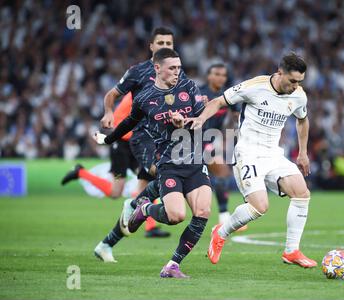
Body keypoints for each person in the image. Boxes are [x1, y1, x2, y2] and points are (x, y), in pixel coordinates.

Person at [186, 52, 317, 268]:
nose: (296, 86)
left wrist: (302, 152)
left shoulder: (299, 96)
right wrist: (201, 118)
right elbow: (219, 101)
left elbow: (303, 120)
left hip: (274, 153)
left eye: (300, 82)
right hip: (248, 153)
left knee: (302, 193)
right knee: (259, 207)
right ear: (279, 73)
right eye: (292, 80)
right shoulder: (255, 86)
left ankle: (291, 250)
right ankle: (222, 231)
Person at [94, 48, 212, 278]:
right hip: (168, 162)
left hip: (195, 161)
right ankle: (144, 208)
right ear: (157, 68)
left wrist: (185, 122)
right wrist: (108, 139)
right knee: (176, 216)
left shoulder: (188, 87)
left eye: (179, 67)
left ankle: (172, 265)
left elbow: (202, 121)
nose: (177, 72)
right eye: (172, 68)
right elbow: (129, 122)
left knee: (203, 211)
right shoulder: (145, 98)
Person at [62, 27, 177, 240]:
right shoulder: (139, 73)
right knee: (118, 190)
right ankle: (81, 173)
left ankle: (148, 226)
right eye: (160, 43)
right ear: (151, 47)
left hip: (147, 139)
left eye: (168, 44)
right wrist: (108, 113)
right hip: (124, 140)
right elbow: (113, 95)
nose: (164, 47)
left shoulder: (174, 74)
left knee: (151, 179)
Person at [199, 64, 245, 228]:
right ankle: (223, 215)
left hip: (208, 143)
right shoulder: (198, 92)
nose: (220, 78)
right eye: (216, 74)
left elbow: (237, 116)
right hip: (189, 142)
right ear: (208, 76)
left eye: (223, 75)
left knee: (223, 173)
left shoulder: (227, 96)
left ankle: (224, 216)